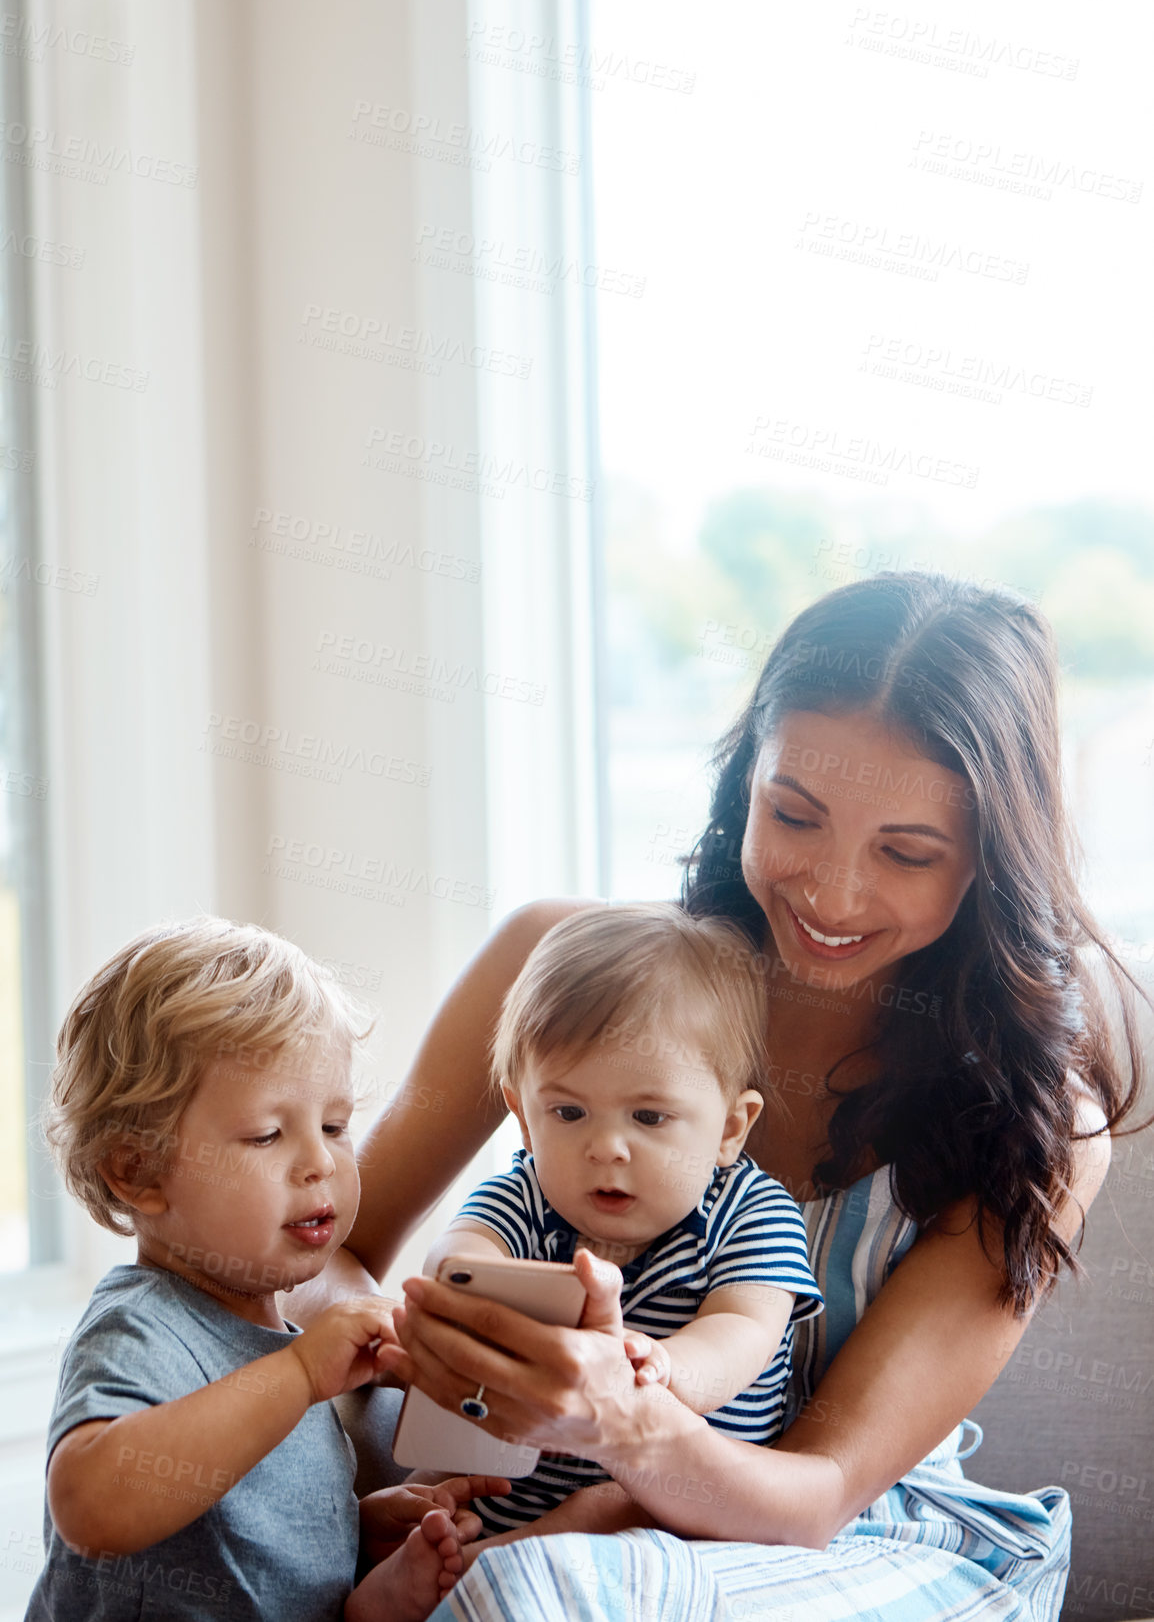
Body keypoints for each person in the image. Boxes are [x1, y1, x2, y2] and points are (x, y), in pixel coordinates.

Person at [296, 572, 1147, 1621]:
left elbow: (819, 1490)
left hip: (842, 1539)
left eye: (906, 852)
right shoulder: (556, 962)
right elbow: (329, 1250)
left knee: (528, 1594)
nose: (832, 895)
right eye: (794, 813)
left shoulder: (1031, 1128)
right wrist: (399, 1346)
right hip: (524, 1506)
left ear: (988, 857)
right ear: (745, 777)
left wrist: (624, 1434)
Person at [27, 917, 507, 1622]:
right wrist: (301, 1375)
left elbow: (239, 1537)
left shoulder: (284, 1340)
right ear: (137, 1171)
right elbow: (91, 1506)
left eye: (336, 1126)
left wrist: (358, 1532)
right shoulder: (147, 1324)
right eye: (266, 1135)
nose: (320, 1162)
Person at [420, 903, 822, 1534]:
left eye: (649, 1118)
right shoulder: (523, 1197)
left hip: (672, 1513)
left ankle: (485, 1565)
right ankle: (444, 1563)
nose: (606, 1147)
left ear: (730, 1128)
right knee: (419, 1505)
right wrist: (470, 1285)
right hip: (503, 1499)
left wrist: (659, 1366)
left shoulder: (753, 1212)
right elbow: (458, 1257)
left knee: (616, 1511)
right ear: (523, 1118)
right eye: (569, 1114)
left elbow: (745, 1328)